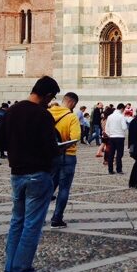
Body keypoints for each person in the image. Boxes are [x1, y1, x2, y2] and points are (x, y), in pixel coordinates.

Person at [0, 75, 61, 272]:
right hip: (38, 174)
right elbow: (50, 148)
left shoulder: (11, 111)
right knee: (32, 224)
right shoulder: (43, 115)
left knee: (17, 221)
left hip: (17, 173)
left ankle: (10, 270)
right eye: (51, 99)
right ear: (48, 95)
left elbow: (0, 142)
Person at [49, 92, 81, 228]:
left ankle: (36, 216)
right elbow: (76, 137)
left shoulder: (48, 112)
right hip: (68, 155)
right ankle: (57, 219)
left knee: (48, 187)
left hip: (50, 155)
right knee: (64, 188)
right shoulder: (71, 117)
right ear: (73, 103)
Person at [105, 103, 130, 174]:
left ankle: (110, 170)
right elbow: (124, 127)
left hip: (112, 137)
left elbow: (107, 128)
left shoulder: (110, 116)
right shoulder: (121, 116)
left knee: (111, 154)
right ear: (122, 108)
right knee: (119, 154)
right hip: (120, 137)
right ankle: (119, 169)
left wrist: (110, 135)